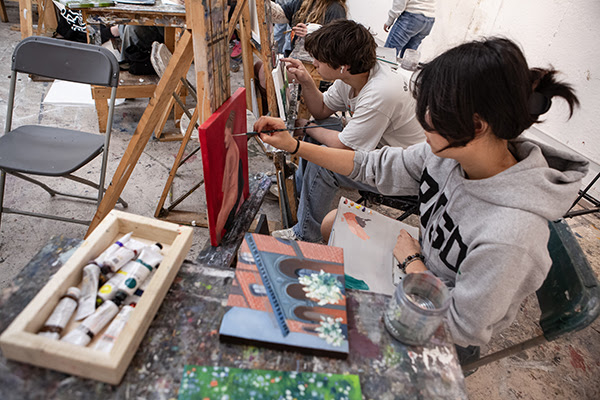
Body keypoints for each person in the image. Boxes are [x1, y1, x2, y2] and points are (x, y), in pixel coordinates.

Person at [254, 37, 588, 362]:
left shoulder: (511, 235)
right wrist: (293, 145)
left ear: (476, 125)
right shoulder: (449, 154)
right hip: (421, 264)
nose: (421, 120)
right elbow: (371, 165)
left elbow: (462, 325)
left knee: (318, 334)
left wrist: (412, 263)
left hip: (441, 324)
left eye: (432, 113)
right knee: (331, 224)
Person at [271, 19, 424, 242]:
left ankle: (305, 236)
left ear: (342, 66)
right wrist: (305, 80)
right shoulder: (353, 74)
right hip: (384, 152)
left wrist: (304, 128)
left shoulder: (380, 92)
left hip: (404, 172)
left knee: (325, 164)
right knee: (324, 127)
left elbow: (344, 147)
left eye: (319, 60)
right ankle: (300, 199)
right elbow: (322, 110)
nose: (314, 62)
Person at [215, 110, 245, 243]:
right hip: (236, 189)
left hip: (234, 192)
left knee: (227, 212)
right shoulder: (231, 148)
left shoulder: (232, 151)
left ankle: (220, 235)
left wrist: (217, 230)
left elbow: (231, 189)